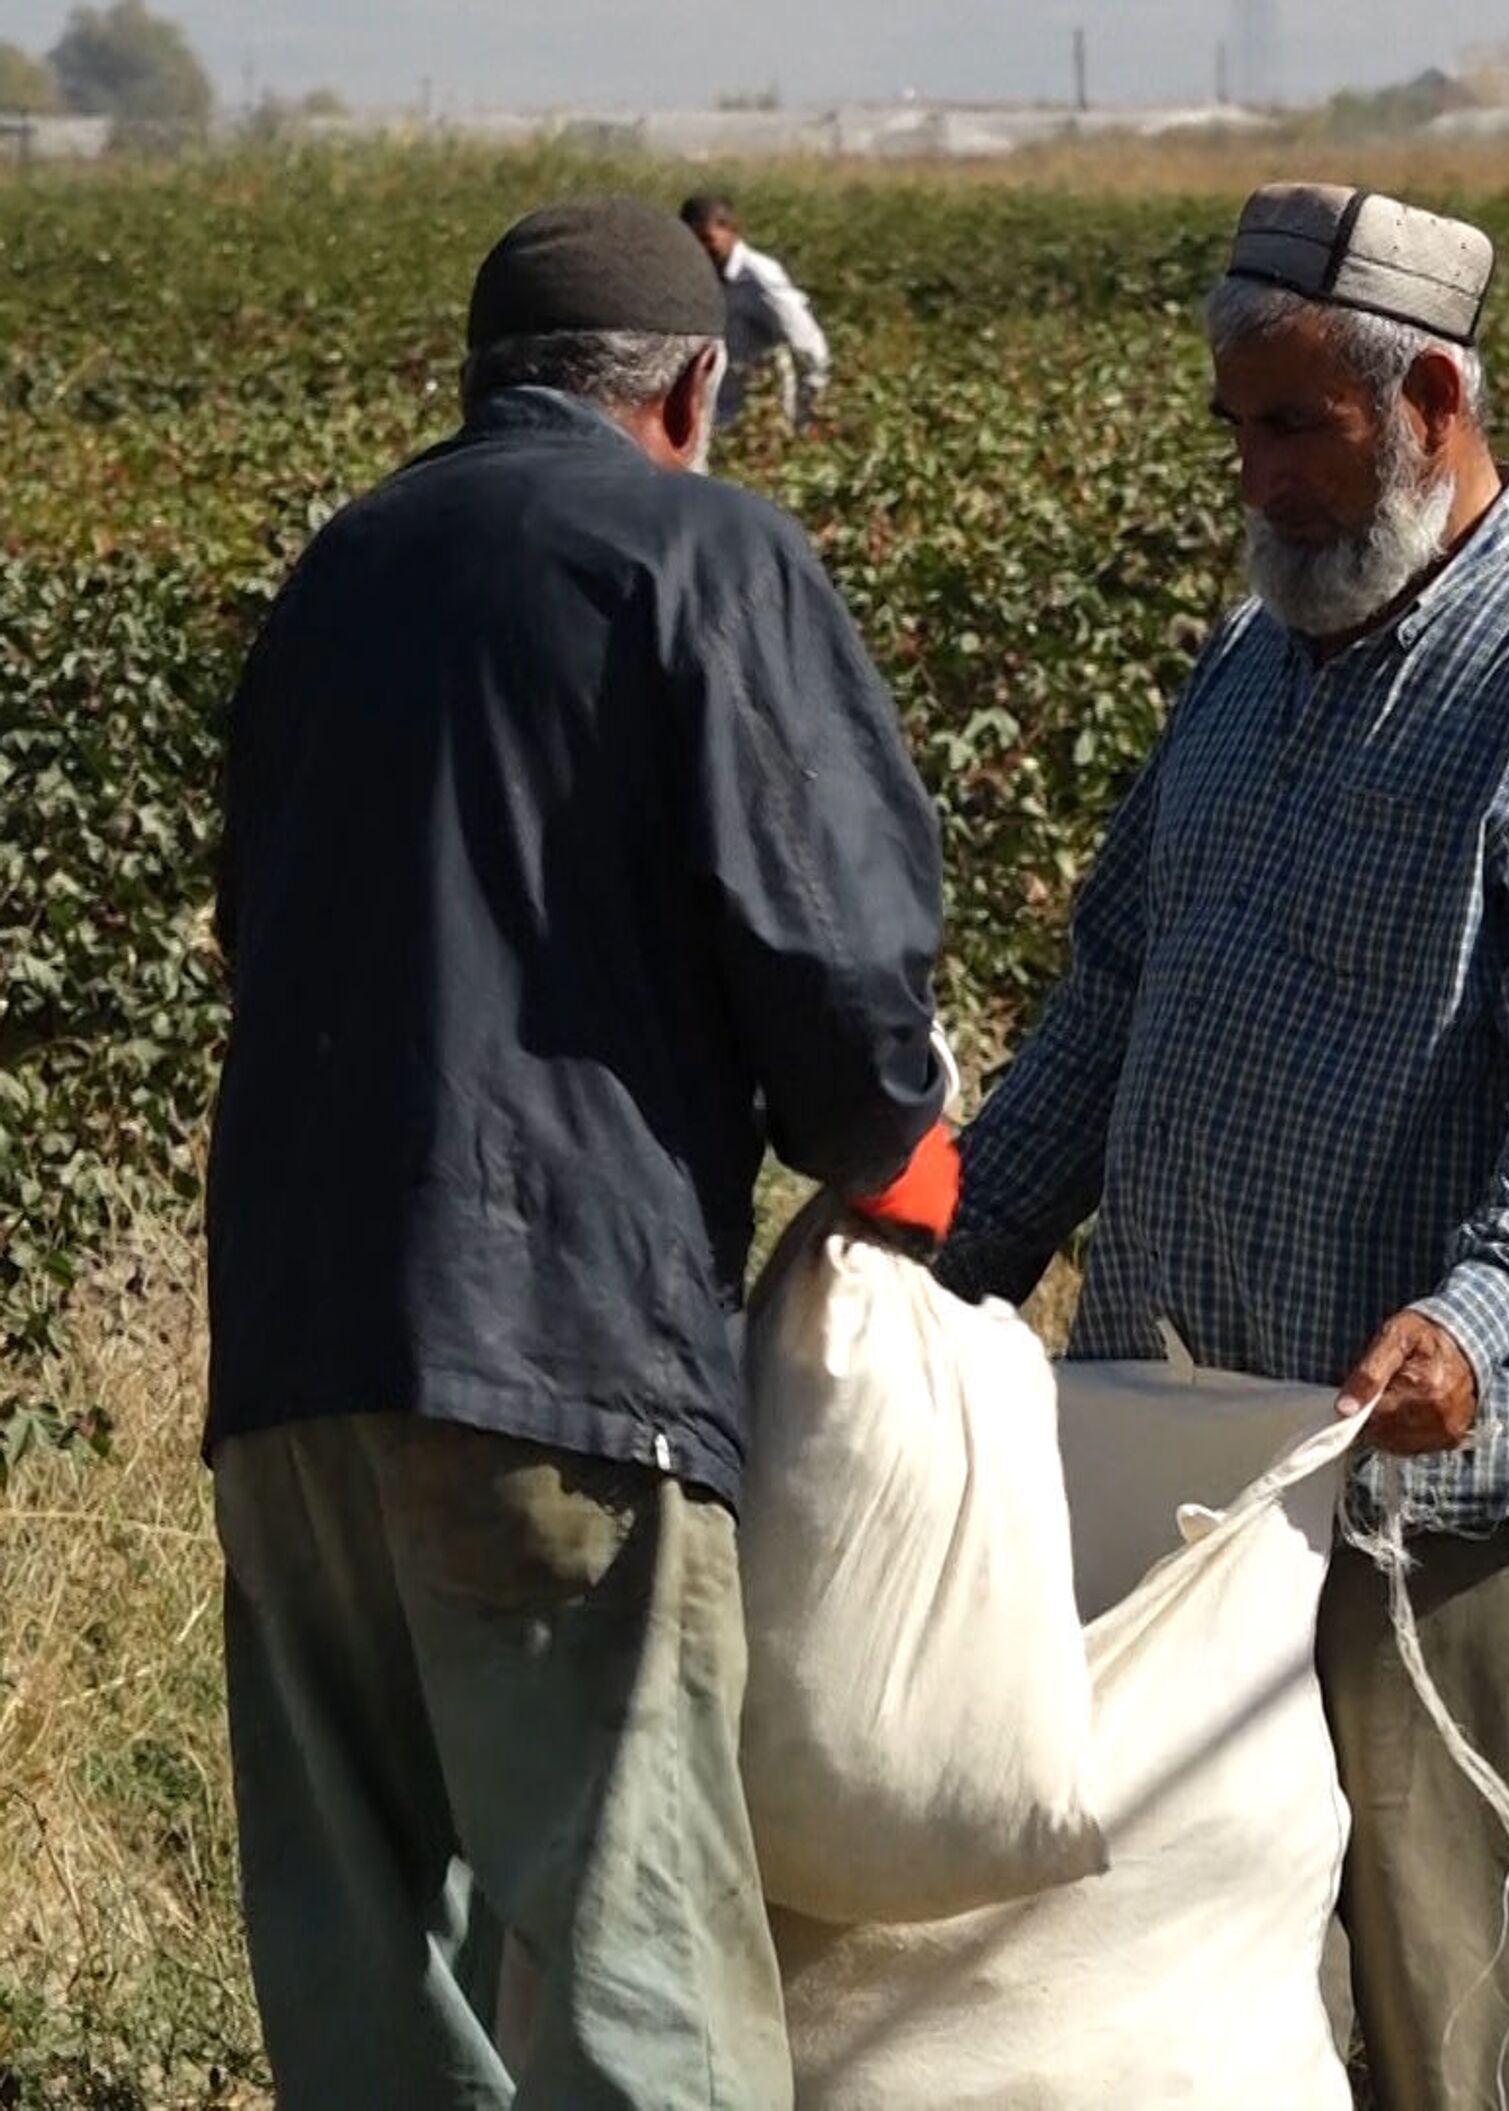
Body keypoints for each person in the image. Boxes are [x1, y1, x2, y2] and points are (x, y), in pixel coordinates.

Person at [939, 182, 1509, 2111]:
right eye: (1240, 430)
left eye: (1299, 426)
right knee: (1217, 1998)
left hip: (1417, 1489)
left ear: (1434, 399)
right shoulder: (1246, 665)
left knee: (1486, 2001)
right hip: (1180, 1469)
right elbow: (1112, 996)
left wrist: (1472, 1315)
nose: (1262, 477)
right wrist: (936, 1251)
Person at [206, 195, 959, 2111]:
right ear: (696, 385)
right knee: (637, 1964)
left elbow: (262, 919)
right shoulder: (702, 553)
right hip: (556, 1350)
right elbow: (834, 943)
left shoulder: (340, 569)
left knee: (365, 1961)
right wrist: (889, 1137)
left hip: (292, 1356)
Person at [679, 193, 831, 430]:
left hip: (760, 423)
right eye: (692, 242)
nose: (701, 249)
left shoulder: (759, 278)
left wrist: (808, 417)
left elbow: (808, 348)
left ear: (731, 231)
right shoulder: (697, 275)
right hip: (715, 420)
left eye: (707, 239)